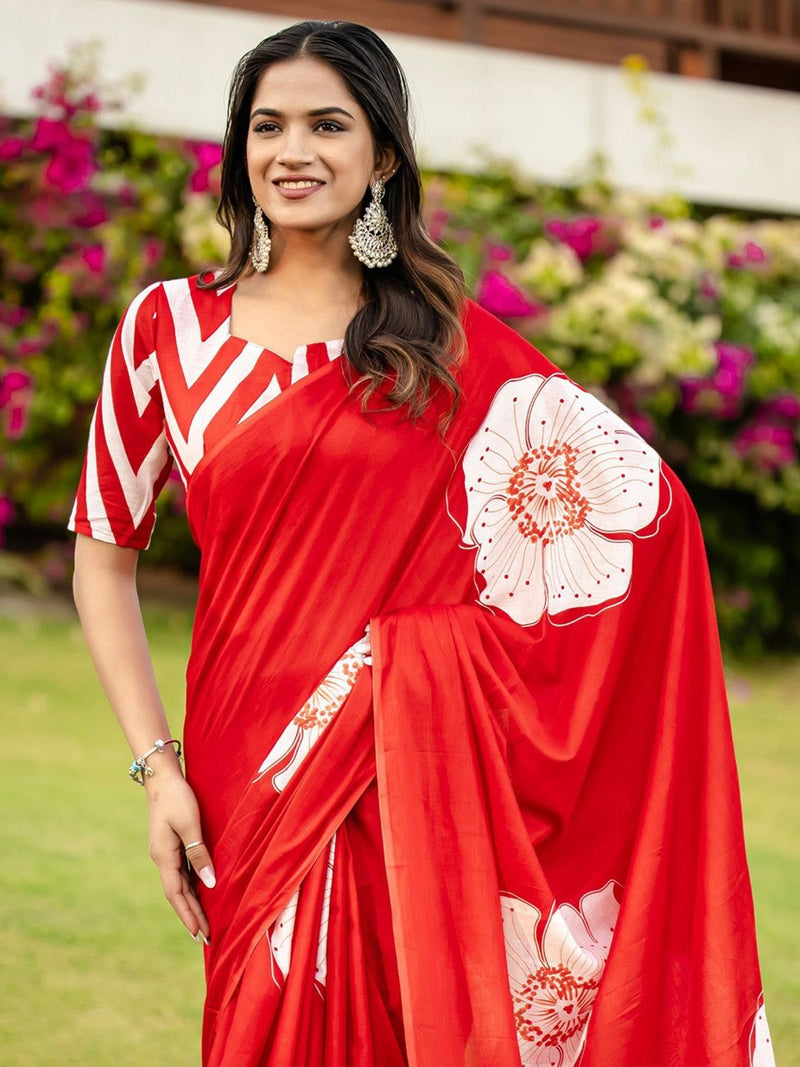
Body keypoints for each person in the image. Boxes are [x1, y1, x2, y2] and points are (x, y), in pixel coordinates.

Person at [69, 19, 774, 1067]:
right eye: (266, 126)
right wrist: (159, 767)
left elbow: (641, 516)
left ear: (382, 155)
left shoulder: (437, 346)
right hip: (245, 760)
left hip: (395, 771)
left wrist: (407, 673)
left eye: (326, 124)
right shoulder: (166, 329)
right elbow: (103, 553)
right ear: (238, 148)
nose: (291, 151)